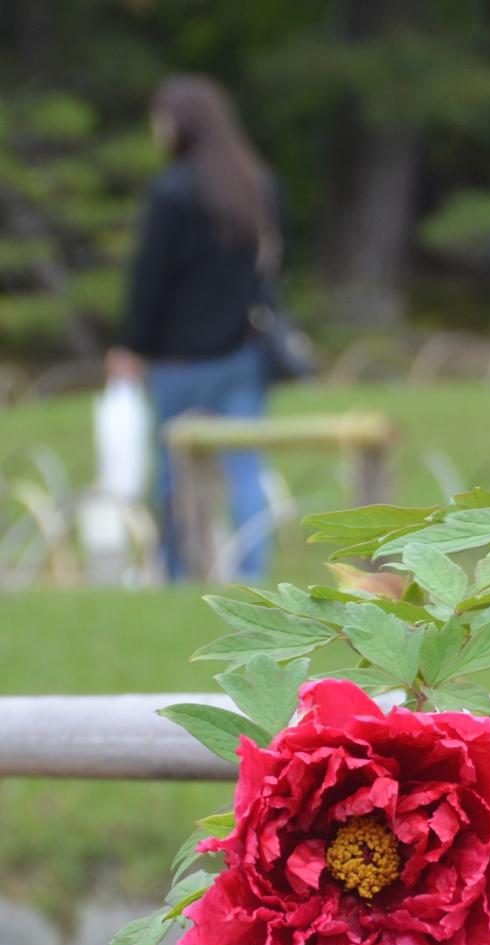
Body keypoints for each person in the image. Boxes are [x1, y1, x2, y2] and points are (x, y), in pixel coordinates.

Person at [107, 74, 278, 580]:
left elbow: (151, 279)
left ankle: (181, 571)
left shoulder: (172, 192)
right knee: (244, 466)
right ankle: (252, 570)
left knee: (177, 472)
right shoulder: (258, 185)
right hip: (242, 351)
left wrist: (131, 344)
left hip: (179, 358)